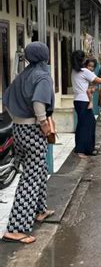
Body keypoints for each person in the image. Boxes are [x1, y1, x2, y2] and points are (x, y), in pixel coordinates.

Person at [2, 42, 55, 244]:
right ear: (44, 55)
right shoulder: (41, 76)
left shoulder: (23, 76)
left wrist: (18, 118)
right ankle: (15, 229)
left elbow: (6, 100)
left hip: (19, 128)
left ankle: (39, 210)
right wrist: (43, 124)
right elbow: (38, 103)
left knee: (38, 169)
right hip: (33, 129)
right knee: (30, 179)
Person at [72, 50, 101, 158]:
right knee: (87, 124)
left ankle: (86, 148)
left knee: (83, 124)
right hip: (84, 101)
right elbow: (100, 81)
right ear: (82, 60)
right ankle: (81, 150)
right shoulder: (84, 71)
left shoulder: (74, 71)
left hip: (78, 100)